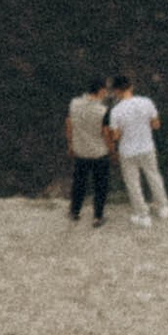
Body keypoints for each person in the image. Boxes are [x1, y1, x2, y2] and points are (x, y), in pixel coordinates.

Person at [107, 75, 168, 228]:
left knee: (133, 184)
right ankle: (163, 207)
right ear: (131, 87)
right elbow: (156, 125)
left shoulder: (116, 111)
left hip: (127, 151)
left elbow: (115, 136)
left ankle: (143, 215)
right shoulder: (146, 102)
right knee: (153, 176)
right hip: (147, 147)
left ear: (116, 91)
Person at [64, 77, 114, 227]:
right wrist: (112, 151)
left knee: (79, 183)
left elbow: (68, 124)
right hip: (99, 153)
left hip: (80, 151)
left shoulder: (74, 104)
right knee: (100, 185)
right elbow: (106, 134)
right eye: (105, 90)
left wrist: (70, 145)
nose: (106, 93)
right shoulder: (103, 110)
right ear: (100, 90)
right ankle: (97, 217)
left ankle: (75, 211)